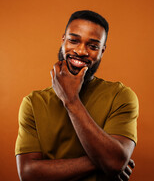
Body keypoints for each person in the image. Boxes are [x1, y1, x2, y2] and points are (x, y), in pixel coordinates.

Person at [15, 10, 139, 181]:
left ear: (102, 51)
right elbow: (28, 173)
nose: (81, 51)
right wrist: (107, 160)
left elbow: (115, 162)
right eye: (74, 40)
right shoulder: (33, 102)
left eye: (93, 46)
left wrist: (70, 99)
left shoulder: (121, 96)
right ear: (63, 40)